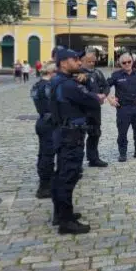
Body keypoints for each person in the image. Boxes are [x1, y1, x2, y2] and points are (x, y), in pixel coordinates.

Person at [49, 49, 101, 235]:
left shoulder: (57, 81)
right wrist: (91, 90)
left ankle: (60, 214)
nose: (79, 62)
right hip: (71, 136)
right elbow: (94, 102)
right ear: (63, 63)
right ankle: (66, 221)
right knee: (68, 176)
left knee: (61, 174)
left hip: (62, 133)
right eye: (75, 59)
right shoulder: (69, 85)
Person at [107, 53, 136, 162]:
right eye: (124, 62)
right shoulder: (116, 75)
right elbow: (105, 87)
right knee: (122, 132)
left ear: (132, 61)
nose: (127, 64)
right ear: (120, 64)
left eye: (129, 62)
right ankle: (122, 153)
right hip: (123, 108)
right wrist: (110, 99)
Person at [30, 61, 57, 199]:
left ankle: (45, 181)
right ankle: (45, 186)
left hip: (41, 121)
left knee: (43, 153)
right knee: (47, 155)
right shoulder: (49, 86)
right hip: (50, 122)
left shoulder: (36, 85)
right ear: (52, 73)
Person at [78, 52, 109, 168]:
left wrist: (104, 95)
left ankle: (93, 158)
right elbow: (80, 91)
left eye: (93, 61)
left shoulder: (97, 73)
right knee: (79, 136)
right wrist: (96, 96)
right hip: (81, 109)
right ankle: (77, 162)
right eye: (89, 61)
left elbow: (106, 86)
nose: (91, 64)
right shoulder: (78, 73)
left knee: (95, 133)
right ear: (82, 61)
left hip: (95, 108)